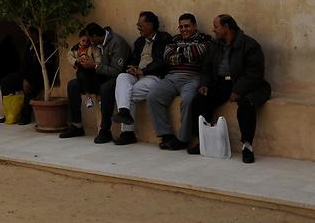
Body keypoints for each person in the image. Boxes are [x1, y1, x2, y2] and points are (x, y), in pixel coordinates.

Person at [188, 14, 271, 163]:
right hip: (221, 84)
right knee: (200, 100)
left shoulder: (249, 45)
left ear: (226, 27)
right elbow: (206, 68)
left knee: (246, 104)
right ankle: (203, 141)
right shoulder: (215, 45)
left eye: (216, 26)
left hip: (245, 85)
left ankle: (247, 146)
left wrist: (238, 90)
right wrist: (204, 84)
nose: (213, 30)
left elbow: (254, 73)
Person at [145, 13, 212, 150]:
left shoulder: (204, 39)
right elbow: (167, 56)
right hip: (171, 77)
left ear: (194, 26)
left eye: (187, 26)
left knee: (188, 100)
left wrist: (179, 52)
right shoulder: (174, 39)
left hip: (192, 78)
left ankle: (183, 139)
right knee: (153, 96)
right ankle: (166, 135)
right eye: (181, 27)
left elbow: (198, 52)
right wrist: (186, 54)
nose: (183, 29)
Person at [60, 22, 130, 143]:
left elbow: (116, 71)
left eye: (90, 39)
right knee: (73, 85)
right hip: (98, 75)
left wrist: (95, 65)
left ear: (95, 36)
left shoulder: (117, 43)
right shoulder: (95, 44)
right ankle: (77, 126)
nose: (88, 42)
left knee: (105, 88)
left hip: (116, 78)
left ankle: (105, 130)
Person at [110, 11, 173, 145]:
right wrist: (132, 68)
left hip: (153, 77)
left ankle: (127, 132)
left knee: (128, 94)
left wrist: (143, 71)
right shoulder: (139, 41)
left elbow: (162, 62)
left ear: (150, 25)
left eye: (140, 24)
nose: (137, 27)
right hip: (137, 75)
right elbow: (133, 58)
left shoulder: (164, 39)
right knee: (122, 77)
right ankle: (124, 112)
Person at [0, 27, 57, 125]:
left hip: (40, 76)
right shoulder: (30, 44)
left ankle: (25, 116)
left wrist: (27, 79)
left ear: (34, 33)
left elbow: (41, 67)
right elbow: (25, 64)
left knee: (30, 86)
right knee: (5, 81)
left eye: (28, 33)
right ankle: (10, 112)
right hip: (26, 75)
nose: (26, 35)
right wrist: (23, 77)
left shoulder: (46, 45)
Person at [68, 30, 103, 109]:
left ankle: (100, 99)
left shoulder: (93, 47)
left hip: (92, 69)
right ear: (79, 39)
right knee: (82, 75)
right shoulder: (74, 48)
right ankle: (88, 98)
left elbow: (98, 58)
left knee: (96, 78)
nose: (85, 43)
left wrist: (92, 62)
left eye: (87, 41)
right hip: (81, 70)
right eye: (83, 41)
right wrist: (77, 61)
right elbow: (69, 57)